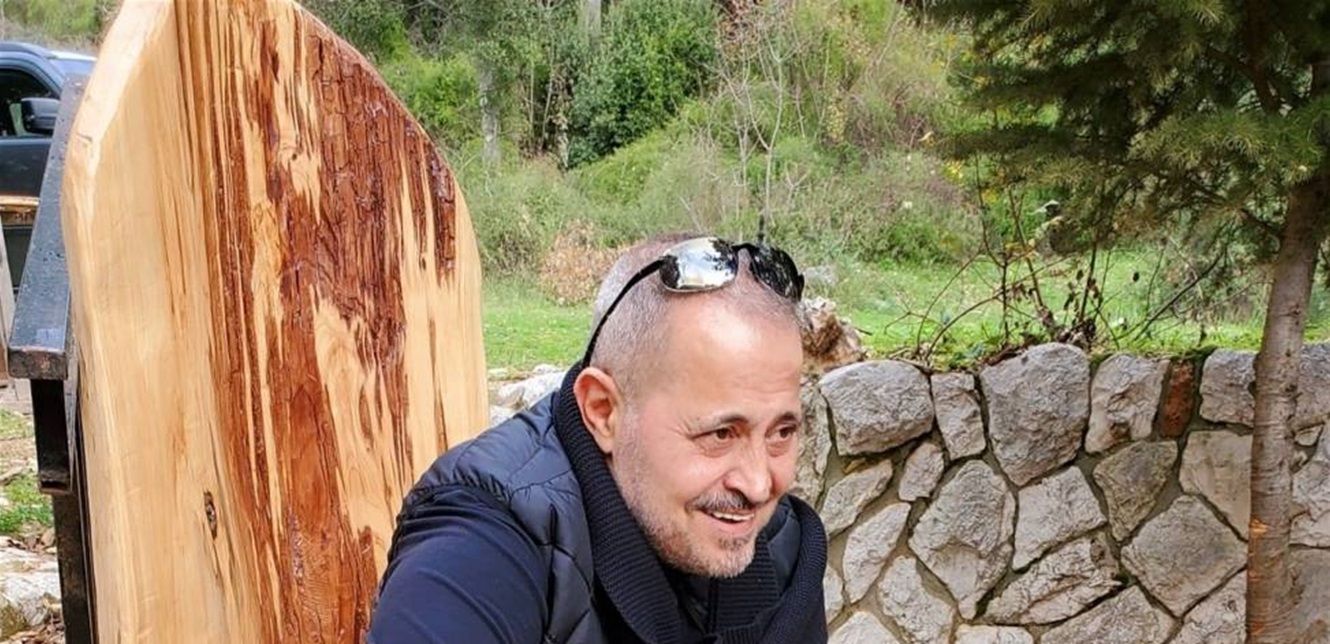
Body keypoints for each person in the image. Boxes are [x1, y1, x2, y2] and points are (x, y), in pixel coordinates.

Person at [368, 233, 828, 643]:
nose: (758, 485)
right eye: (721, 434)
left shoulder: (783, 551)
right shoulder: (482, 546)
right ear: (603, 411)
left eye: (781, 432)